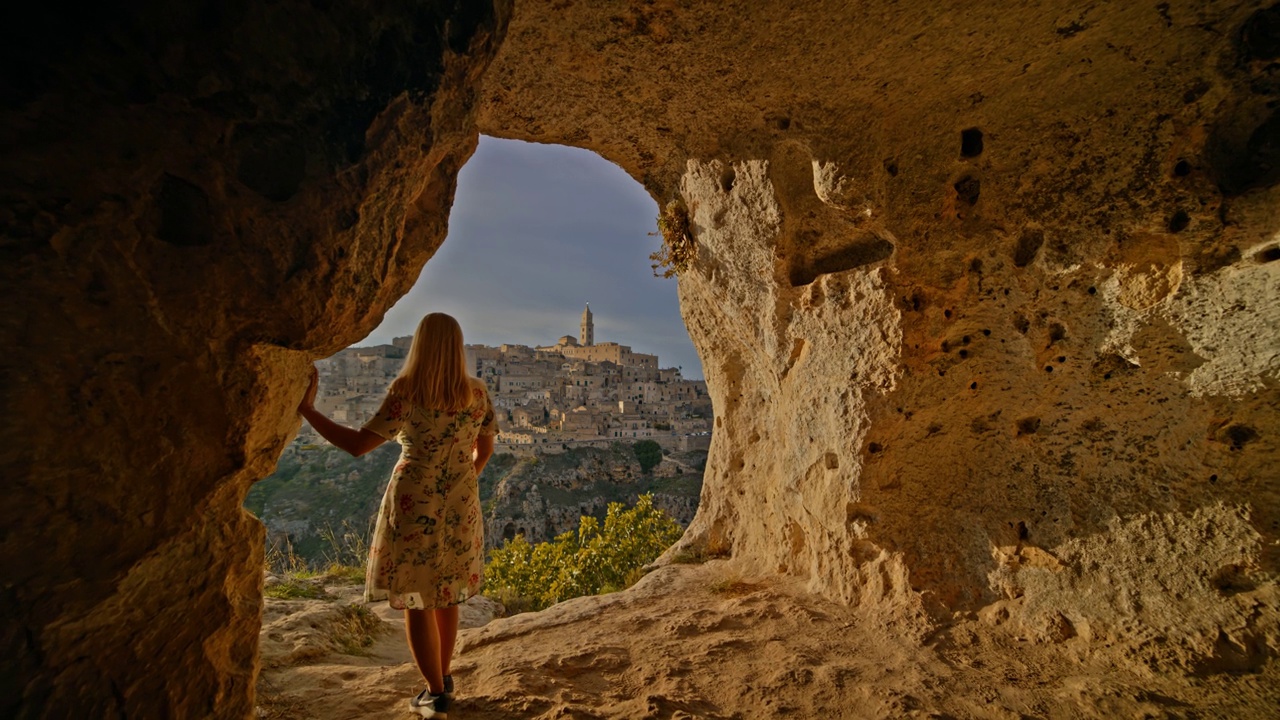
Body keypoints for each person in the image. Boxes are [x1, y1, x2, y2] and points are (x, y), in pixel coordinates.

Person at [297, 312, 497, 719]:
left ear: (419, 345)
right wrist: (460, 482)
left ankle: (434, 694)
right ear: (458, 348)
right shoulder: (476, 393)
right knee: (447, 592)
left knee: (416, 599)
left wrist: (308, 411)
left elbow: (357, 445)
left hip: (413, 504)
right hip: (460, 506)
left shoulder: (407, 390)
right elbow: (486, 449)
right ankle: (443, 677)